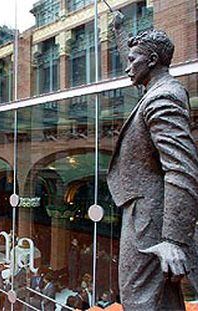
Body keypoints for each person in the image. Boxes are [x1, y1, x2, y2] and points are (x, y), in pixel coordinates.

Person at [109, 13, 198, 310]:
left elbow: (181, 168)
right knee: (161, 297)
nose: (126, 66)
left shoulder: (163, 98)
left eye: (133, 60)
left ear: (152, 61)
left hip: (150, 218)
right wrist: (120, 32)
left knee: (139, 297)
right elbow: (136, 62)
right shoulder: (155, 88)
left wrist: (173, 239)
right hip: (144, 210)